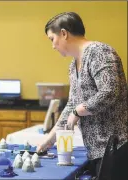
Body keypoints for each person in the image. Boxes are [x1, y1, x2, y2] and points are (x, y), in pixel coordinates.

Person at [37, 12, 128, 179]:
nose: (53, 46)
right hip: (97, 151)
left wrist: (79, 110)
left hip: (116, 147)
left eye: (52, 39)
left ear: (64, 33)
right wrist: (50, 139)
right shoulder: (73, 66)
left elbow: (109, 91)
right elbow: (72, 105)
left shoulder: (99, 52)